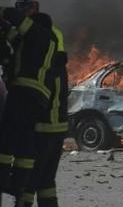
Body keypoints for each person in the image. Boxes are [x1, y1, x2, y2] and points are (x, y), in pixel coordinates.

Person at [0, 6, 59, 199]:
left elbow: (19, 22)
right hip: (38, 99)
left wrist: (4, 11)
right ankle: (18, 184)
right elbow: (15, 40)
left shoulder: (38, 34)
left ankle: (1, 177)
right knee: (25, 139)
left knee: (8, 134)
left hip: (22, 91)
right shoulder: (47, 41)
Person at [23, 25, 68, 207]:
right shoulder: (61, 69)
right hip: (58, 131)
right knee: (47, 182)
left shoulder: (43, 71)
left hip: (41, 131)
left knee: (28, 182)